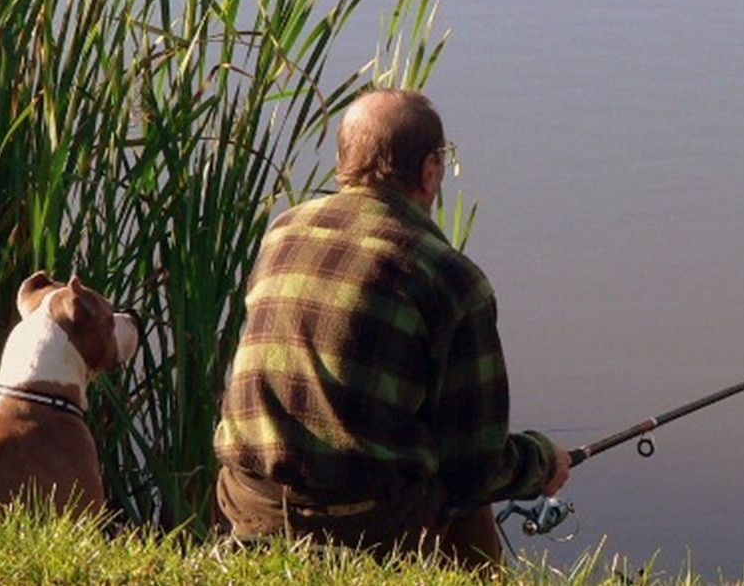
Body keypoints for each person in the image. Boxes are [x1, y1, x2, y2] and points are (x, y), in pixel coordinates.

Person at [214, 88, 571, 569]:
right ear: (428, 171)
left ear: (344, 161)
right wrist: (543, 462)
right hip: (363, 521)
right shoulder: (452, 279)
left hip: (249, 499)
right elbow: (476, 465)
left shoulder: (284, 231)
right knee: (463, 493)